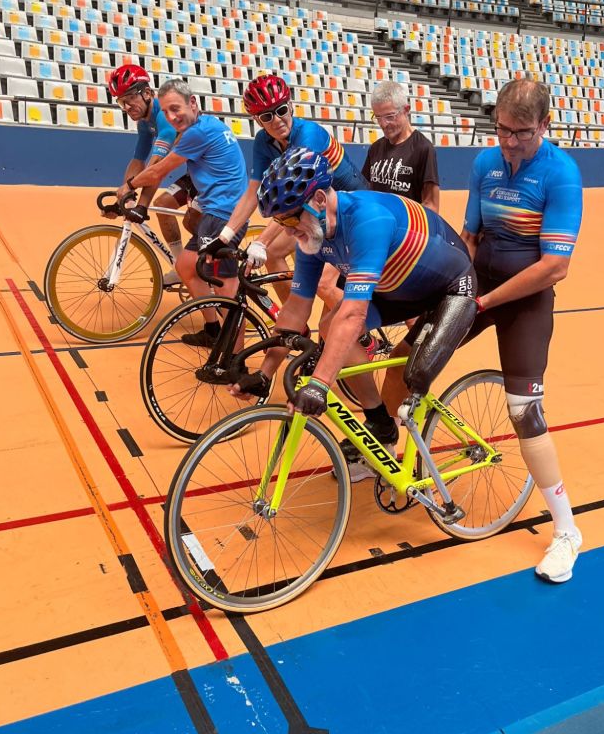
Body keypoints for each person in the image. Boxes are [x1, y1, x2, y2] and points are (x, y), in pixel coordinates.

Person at [230, 146, 477, 483]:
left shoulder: (368, 221)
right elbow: (295, 310)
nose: (287, 232)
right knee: (328, 325)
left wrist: (319, 385)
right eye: (280, 221)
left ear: (319, 200)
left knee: (406, 369)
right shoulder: (314, 235)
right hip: (399, 287)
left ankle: (413, 459)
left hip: (448, 289)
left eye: (290, 219)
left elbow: (353, 315)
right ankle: (380, 423)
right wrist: (264, 374)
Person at [460, 78, 583, 584]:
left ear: (544, 126)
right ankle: (384, 453)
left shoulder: (561, 174)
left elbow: (555, 266)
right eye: (502, 130)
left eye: (522, 133)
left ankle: (567, 531)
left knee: (524, 411)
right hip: (479, 288)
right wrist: (452, 293)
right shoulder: (484, 163)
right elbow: (470, 237)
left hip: (525, 302)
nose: (509, 142)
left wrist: (487, 301)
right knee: (411, 354)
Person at [202, 74, 367, 309]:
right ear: (258, 120)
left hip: (351, 211)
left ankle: (362, 327)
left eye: (281, 110)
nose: (277, 120)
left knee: (324, 285)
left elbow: (293, 200)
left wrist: (261, 242)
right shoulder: (263, 141)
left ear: (291, 106)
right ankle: (294, 320)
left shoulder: (308, 134)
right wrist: (224, 237)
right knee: (273, 253)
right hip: (318, 210)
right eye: (267, 116)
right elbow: (252, 193)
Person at [116, 78, 248, 346]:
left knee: (225, 290)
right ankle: (212, 329)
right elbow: (145, 163)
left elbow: (157, 170)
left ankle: (236, 358)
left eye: (175, 109)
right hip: (214, 199)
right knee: (186, 265)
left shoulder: (195, 133)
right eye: (166, 112)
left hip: (222, 212)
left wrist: (129, 188)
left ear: (193, 103)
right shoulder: (202, 125)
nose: (171, 117)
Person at [108, 64, 197, 286]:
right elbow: (138, 161)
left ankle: (209, 272)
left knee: (194, 222)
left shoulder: (164, 116)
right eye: (121, 102)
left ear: (147, 93)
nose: (127, 106)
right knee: (163, 206)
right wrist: (124, 196)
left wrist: (141, 204)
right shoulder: (144, 123)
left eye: (130, 98)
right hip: (195, 172)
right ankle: (181, 268)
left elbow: (156, 168)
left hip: (212, 175)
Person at [363, 80, 440, 212]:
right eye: (378, 117)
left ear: (406, 110)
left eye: (389, 116)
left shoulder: (423, 149)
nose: (383, 124)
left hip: (406, 225)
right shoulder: (375, 148)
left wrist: (401, 217)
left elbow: (432, 206)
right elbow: (364, 190)